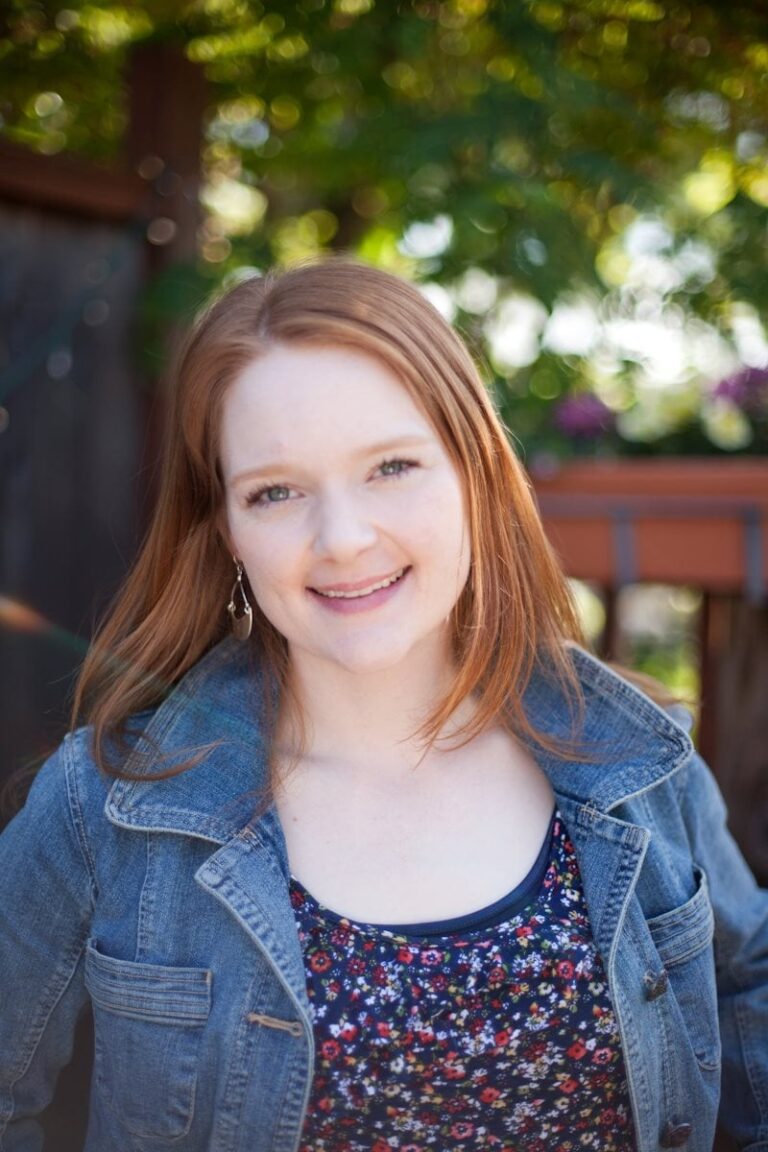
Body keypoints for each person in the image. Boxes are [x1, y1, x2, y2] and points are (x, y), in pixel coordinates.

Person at [0, 258, 766, 1152]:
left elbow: (748, 978)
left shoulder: (638, 761)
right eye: (276, 492)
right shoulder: (104, 810)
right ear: (225, 529)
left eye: (392, 466)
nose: (343, 539)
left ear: (476, 474)